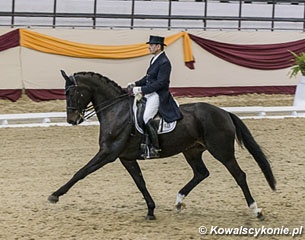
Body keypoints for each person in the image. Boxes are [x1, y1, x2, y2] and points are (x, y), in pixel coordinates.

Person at [128, 35, 183, 159]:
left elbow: (160, 83)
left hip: (158, 95)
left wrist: (141, 89)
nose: (149, 47)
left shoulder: (164, 62)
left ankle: (154, 147)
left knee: (147, 117)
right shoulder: (154, 59)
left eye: (151, 45)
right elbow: (148, 78)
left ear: (158, 46)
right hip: (150, 93)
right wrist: (136, 83)